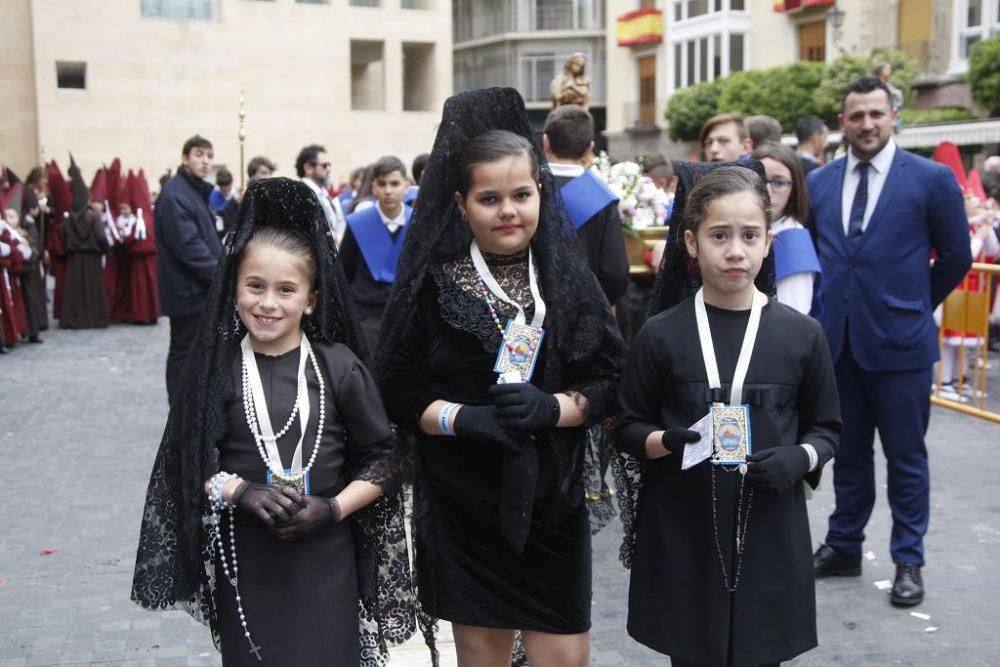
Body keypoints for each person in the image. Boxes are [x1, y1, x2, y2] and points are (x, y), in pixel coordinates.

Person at [376, 87, 626, 667]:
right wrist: (462, 420)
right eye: (489, 198)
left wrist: (556, 408)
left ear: (542, 194)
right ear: (461, 204)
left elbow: (611, 376)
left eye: (521, 194)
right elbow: (395, 385)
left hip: (553, 504)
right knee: (482, 657)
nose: (507, 210)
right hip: (466, 506)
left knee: (565, 657)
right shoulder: (434, 286)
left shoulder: (567, 280)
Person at [131, 177, 416, 666]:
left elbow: (385, 458)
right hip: (248, 557)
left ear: (310, 299)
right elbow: (191, 457)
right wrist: (242, 491)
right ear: (233, 288)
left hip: (327, 552)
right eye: (255, 286)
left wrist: (332, 509)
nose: (268, 303)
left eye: (286, 290)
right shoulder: (216, 369)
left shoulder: (339, 366)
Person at [614, 162, 841, 667]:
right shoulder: (660, 335)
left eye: (749, 235)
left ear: (767, 243)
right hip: (685, 525)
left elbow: (827, 428)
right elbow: (627, 425)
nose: (735, 250)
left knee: (762, 654)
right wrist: (665, 442)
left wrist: (798, 458)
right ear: (691, 244)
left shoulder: (802, 336)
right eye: (719, 235)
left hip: (770, 525)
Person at [808, 76, 972, 607]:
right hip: (839, 345)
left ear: (893, 115)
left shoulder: (930, 178)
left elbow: (956, 256)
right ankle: (844, 543)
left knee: (906, 457)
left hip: (902, 346)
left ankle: (909, 559)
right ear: (842, 122)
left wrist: (913, 303)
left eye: (876, 114)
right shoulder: (823, 183)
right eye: (856, 115)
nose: (867, 124)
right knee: (848, 454)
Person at [155, 135, 223, 406]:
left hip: (199, 289)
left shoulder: (195, 191)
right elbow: (189, 248)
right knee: (184, 351)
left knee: (197, 351)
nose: (205, 161)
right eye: (199, 154)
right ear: (185, 158)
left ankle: (193, 403)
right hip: (188, 290)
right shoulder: (175, 194)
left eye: (209, 156)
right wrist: (222, 276)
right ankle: (181, 408)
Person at [543, 104, 629, 307]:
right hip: (582, 314)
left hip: (527, 319)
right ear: (590, 149)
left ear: (545, 142)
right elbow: (615, 275)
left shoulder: (523, 189)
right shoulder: (600, 198)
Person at [339, 155, 412, 354]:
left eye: (395, 184)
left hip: (405, 317)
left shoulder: (417, 225)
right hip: (365, 316)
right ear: (373, 187)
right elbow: (344, 270)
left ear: (406, 186)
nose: (388, 191)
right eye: (382, 184)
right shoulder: (358, 223)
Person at [753, 142, 821, 316]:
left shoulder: (792, 242)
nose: (767, 190)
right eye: (758, 179)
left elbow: (793, 321)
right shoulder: (761, 229)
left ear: (793, 190)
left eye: (779, 182)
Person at [61, 157, 110, 329]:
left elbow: (63, 239)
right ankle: (93, 318)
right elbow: (101, 237)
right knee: (91, 290)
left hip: (75, 259)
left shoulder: (68, 220)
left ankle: (75, 319)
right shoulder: (93, 217)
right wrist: (106, 250)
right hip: (92, 258)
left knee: (76, 290)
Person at [123, 170, 160, 324]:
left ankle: (141, 314)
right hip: (151, 258)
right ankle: (151, 314)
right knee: (149, 287)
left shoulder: (140, 218)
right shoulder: (150, 216)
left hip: (141, 258)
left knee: (141, 287)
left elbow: (134, 239)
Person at [4, 208, 44, 342]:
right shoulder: (6, 235)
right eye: (7, 216)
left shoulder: (23, 233)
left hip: (27, 274)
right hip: (11, 275)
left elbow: (34, 252)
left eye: (13, 216)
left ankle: (32, 331)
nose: (10, 219)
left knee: (30, 302)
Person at [296, 144, 347, 246]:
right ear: (308, 168)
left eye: (329, 165)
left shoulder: (321, 191)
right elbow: (311, 230)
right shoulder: (303, 192)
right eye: (324, 165)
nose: (328, 169)